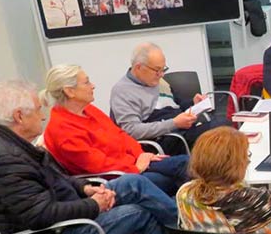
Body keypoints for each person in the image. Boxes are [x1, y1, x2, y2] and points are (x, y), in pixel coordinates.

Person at [0, 80, 179, 234]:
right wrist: (93, 205)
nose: (43, 116)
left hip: (67, 210)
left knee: (134, 183)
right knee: (139, 213)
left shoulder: (6, 139)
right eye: (38, 111)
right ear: (19, 116)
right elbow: (41, 215)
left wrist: (86, 188)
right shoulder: (6, 160)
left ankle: (186, 231)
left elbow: (58, 178)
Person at [41, 64, 190, 196]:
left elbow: (120, 134)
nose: (93, 86)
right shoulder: (62, 130)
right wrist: (135, 167)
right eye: (86, 82)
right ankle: (190, 220)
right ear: (69, 92)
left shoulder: (88, 109)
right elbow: (98, 165)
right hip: (116, 178)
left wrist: (141, 154)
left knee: (186, 163)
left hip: (134, 164)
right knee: (174, 176)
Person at [109, 42, 229, 153]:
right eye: (157, 70)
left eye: (163, 69)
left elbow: (177, 104)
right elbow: (132, 130)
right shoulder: (123, 91)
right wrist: (174, 123)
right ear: (138, 67)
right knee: (221, 128)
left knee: (225, 124)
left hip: (180, 128)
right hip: (164, 138)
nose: (161, 75)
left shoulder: (158, 81)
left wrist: (193, 103)